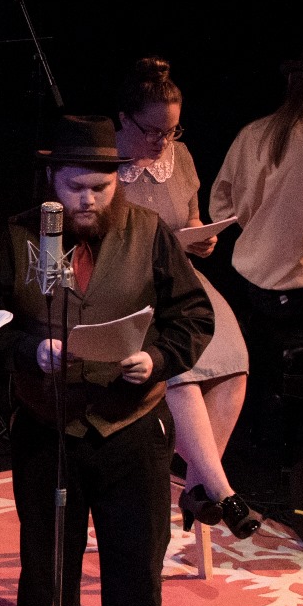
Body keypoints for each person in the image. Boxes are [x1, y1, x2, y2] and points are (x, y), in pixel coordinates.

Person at [0, 116, 213, 606]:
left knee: (134, 565)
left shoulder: (148, 233)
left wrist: (160, 358)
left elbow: (191, 316)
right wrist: (32, 349)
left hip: (129, 424)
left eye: (102, 189)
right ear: (53, 180)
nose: (89, 201)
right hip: (48, 426)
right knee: (46, 564)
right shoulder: (25, 237)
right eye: (78, 188)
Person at [112, 58, 261, 541]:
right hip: (129, 286)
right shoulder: (104, 169)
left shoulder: (182, 158)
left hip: (182, 277)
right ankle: (220, 490)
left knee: (234, 362)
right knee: (181, 367)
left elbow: (190, 219)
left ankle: (196, 487)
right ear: (124, 119)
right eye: (153, 131)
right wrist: (177, 242)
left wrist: (202, 237)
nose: (162, 142)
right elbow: (115, 246)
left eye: (172, 131)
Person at [208, 36, 303, 329]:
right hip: (298, 294)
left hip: (242, 279)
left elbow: (219, 206)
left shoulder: (250, 133)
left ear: (292, 82)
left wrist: (258, 228)